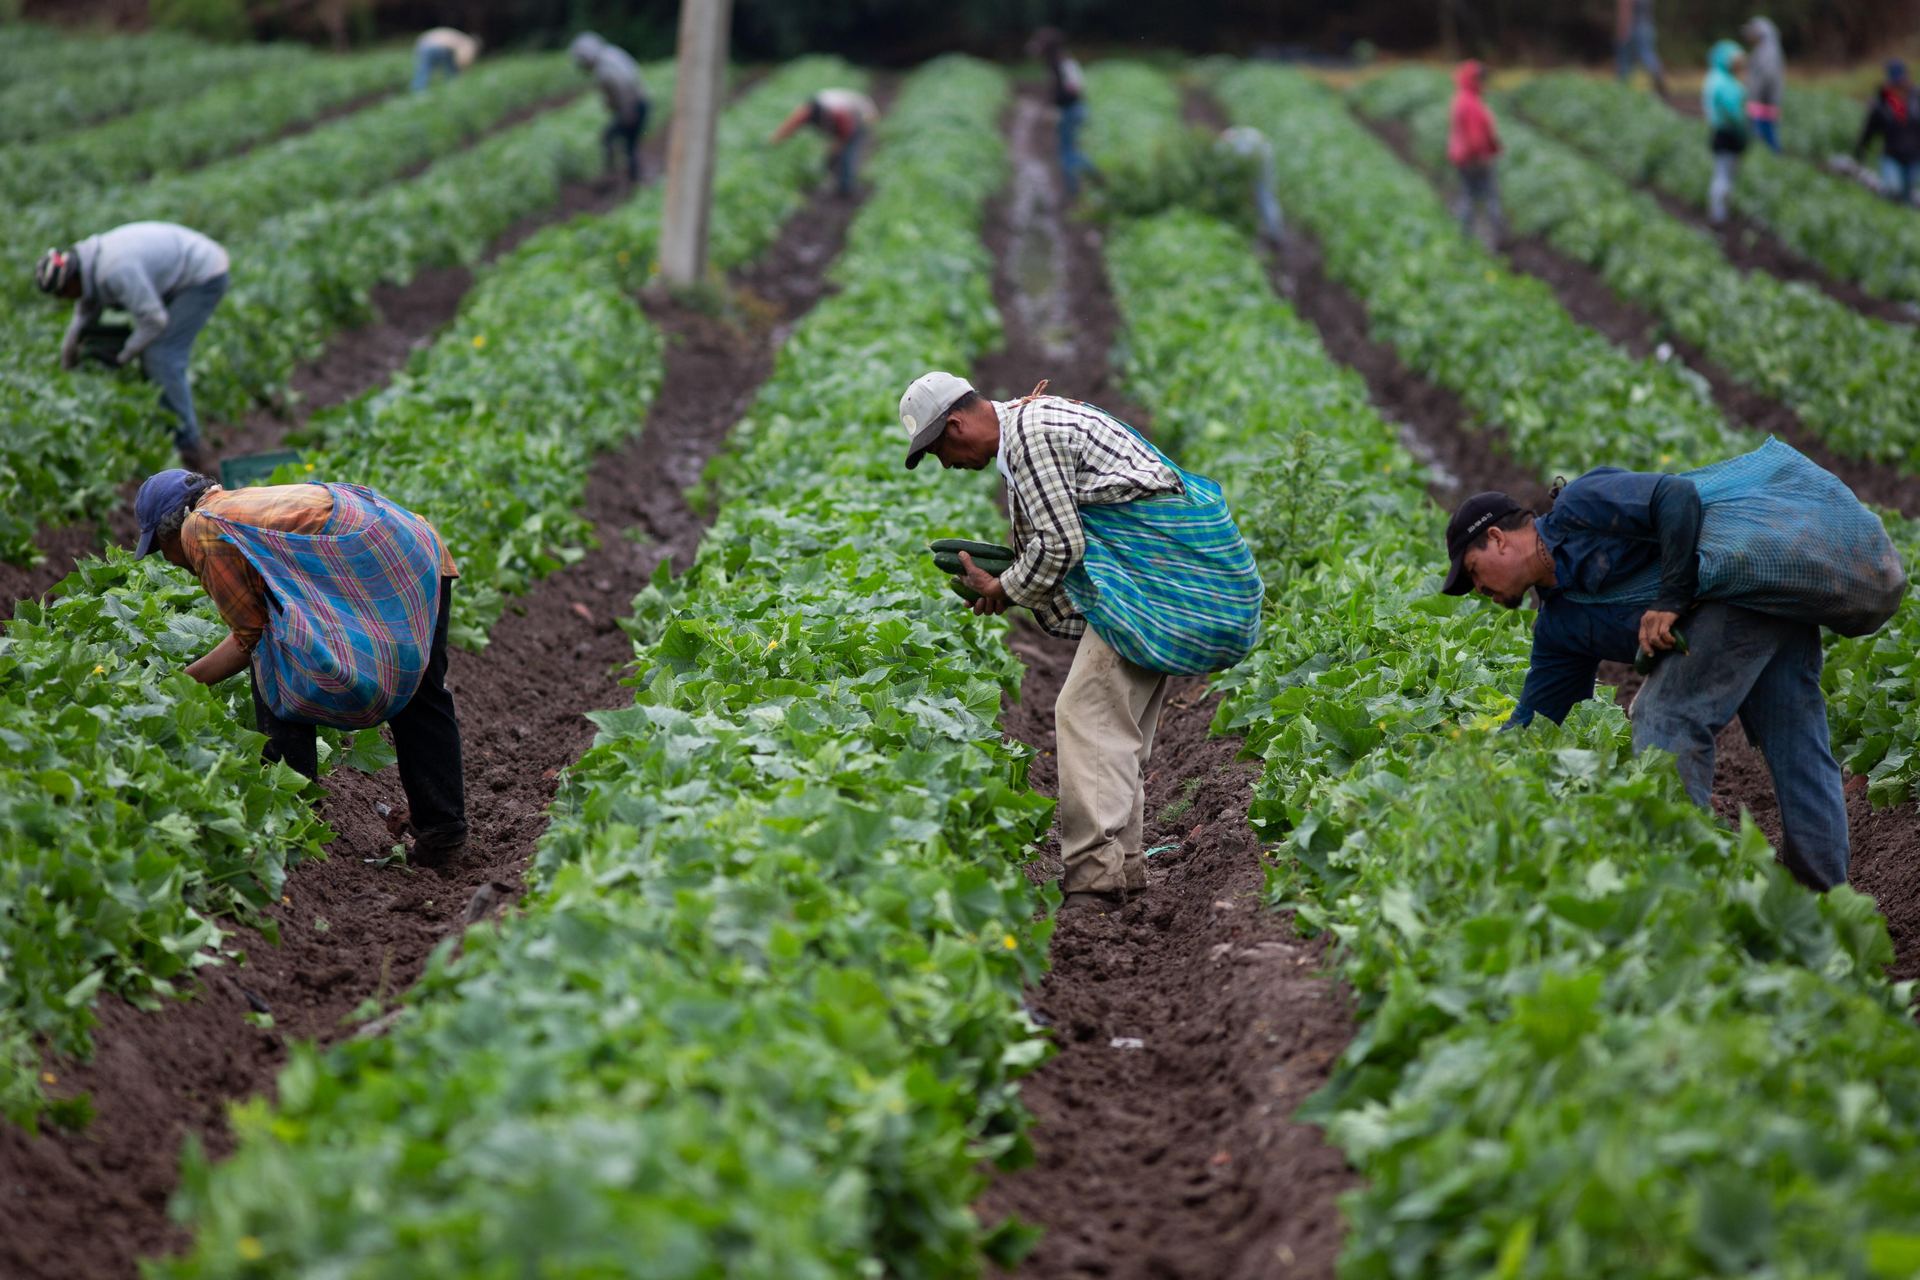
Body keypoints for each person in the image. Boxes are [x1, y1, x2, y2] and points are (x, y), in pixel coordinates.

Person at [1438, 449, 1898, 892]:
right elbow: (1536, 724)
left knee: (1665, 718)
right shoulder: (1559, 627)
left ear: (1497, 539)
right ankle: (1824, 902)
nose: (1479, 589)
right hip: (1762, 615)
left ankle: (1688, 890)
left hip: (1742, 588)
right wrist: (1470, 769)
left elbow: (1675, 496)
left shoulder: (1579, 506)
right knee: (1797, 741)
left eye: (1474, 573)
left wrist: (1671, 600)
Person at [900, 373, 1263, 913]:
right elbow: (1061, 539)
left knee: (1085, 715)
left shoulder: (1031, 438)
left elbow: (1061, 545)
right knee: (1117, 727)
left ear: (954, 425)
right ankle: (1124, 868)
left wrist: (1004, 586)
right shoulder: (1031, 426)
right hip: (1151, 585)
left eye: (938, 451)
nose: (946, 464)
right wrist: (1014, 582)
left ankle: (1094, 879)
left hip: (1155, 588)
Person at [132, 469, 469, 865]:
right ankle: (442, 836)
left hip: (381, 561)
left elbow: (250, 638)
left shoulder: (200, 530)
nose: (170, 562)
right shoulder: (238, 506)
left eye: (159, 549)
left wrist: (184, 683)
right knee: (421, 694)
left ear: (172, 528)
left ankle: (292, 811)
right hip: (418, 547)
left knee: (275, 666)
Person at [36, 221, 228, 473]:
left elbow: (155, 320)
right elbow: (82, 318)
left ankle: (190, 446)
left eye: (63, 294)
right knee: (149, 351)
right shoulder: (88, 266)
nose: (65, 299)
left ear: (71, 281)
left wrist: (123, 355)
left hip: (204, 274)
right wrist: (67, 361)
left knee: (161, 356)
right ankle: (171, 432)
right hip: (178, 271)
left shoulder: (115, 270)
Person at [568, 32, 649, 185]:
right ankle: (630, 179)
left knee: (614, 140)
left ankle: (620, 178)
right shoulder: (610, 53)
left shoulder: (603, 70)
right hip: (638, 103)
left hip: (632, 106)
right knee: (627, 144)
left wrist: (627, 111)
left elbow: (623, 87)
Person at [769, 87, 879, 199]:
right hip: (844, 116)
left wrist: (834, 150)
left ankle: (846, 189)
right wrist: (775, 140)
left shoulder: (839, 113)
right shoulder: (809, 110)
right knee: (833, 155)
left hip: (860, 119)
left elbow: (845, 135)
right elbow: (791, 125)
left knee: (847, 154)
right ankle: (833, 179)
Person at [1031, 28, 1098, 200]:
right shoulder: (1062, 62)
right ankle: (1090, 179)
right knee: (1069, 150)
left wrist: (1054, 106)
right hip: (1073, 110)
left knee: (1067, 153)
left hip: (1071, 111)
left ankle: (1080, 187)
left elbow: (1073, 89)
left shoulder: (1061, 64)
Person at [1447, 60, 1505, 249]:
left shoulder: (1461, 98)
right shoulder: (1471, 103)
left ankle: (1463, 237)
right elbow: (1476, 138)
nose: (1484, 84)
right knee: (1489, 197)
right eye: (1481, 79)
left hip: (1463, 158)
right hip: (1475, 159)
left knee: (1468, 196)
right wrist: (1483, 155)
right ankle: (1496, 239)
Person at [1855, 60, 1920, 206]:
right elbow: (1869, 129)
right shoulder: (1882, 104)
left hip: (1914, 157)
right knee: (1892, 189)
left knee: (1907, 195)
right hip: (1891, 155)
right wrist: (1861, 150)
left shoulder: (1916, 99)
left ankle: (1901, 221)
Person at [1704, 40, 1751, 224]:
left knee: (1724, 173)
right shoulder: (1723, 83)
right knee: (1724, 175)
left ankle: (1720, 210)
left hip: (1722, 133)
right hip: (1727, 134)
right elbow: (1734, 113)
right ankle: (1718, 212)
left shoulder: (1717, 78)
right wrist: (1744, 125)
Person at [1218, 125, 1284, 245]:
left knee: (1264, 197)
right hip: (1263, 151)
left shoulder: (1222, 148)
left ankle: (1273, 236)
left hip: (1259, 156)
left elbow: (1226, 177)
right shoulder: (1245, 133)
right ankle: (1276, 234)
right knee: (1266, 196)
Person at [1741, 17, 1784, 153]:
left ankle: (1775, 162)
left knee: (1765, 138)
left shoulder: (1768, 53)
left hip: (1763, 104)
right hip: (1763, 103)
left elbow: (1765, 79)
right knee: (1764, 137)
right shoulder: (1764, 51)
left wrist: (1754, 99)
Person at [1615, 0, 1671, 98]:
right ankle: (1658, 72)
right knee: (1648, 54)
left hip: (1632, 28)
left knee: (1624, 60)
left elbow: (1625, 9)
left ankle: (1622, 91)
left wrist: (1622, 29)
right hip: (1647, 27)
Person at [411, 27, 479, 93]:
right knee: (452, 69)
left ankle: (418, 90)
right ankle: (453, 88)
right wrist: (463, 70)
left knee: (424, 70)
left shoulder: (456, 35)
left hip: (424, 46)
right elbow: (463, 58)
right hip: (439, 47)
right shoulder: (468, 41)